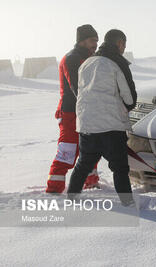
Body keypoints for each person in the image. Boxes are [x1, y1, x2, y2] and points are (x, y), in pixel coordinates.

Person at [67, 29, 137, 205]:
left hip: (87, 125)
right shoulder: (118, 63)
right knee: (120, 168)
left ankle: (71, 198)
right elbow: (129, 98)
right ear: (120, 43)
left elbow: (79, 91)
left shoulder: (87, 63)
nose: (123, 49)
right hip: (111, 126)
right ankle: (127, 204)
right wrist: (125, 107)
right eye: (124, 45)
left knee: (83, 165)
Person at [46, 24, 100, 193]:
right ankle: (54, 189)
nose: (95, 44)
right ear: (82, 41)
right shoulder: (72, 58)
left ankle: (91, 182)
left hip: (87, 111)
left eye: (97, 41)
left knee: (90, 148)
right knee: (68, 150)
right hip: (71, 113)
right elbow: (76, 87)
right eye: (92, 40)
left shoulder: (91, 58)